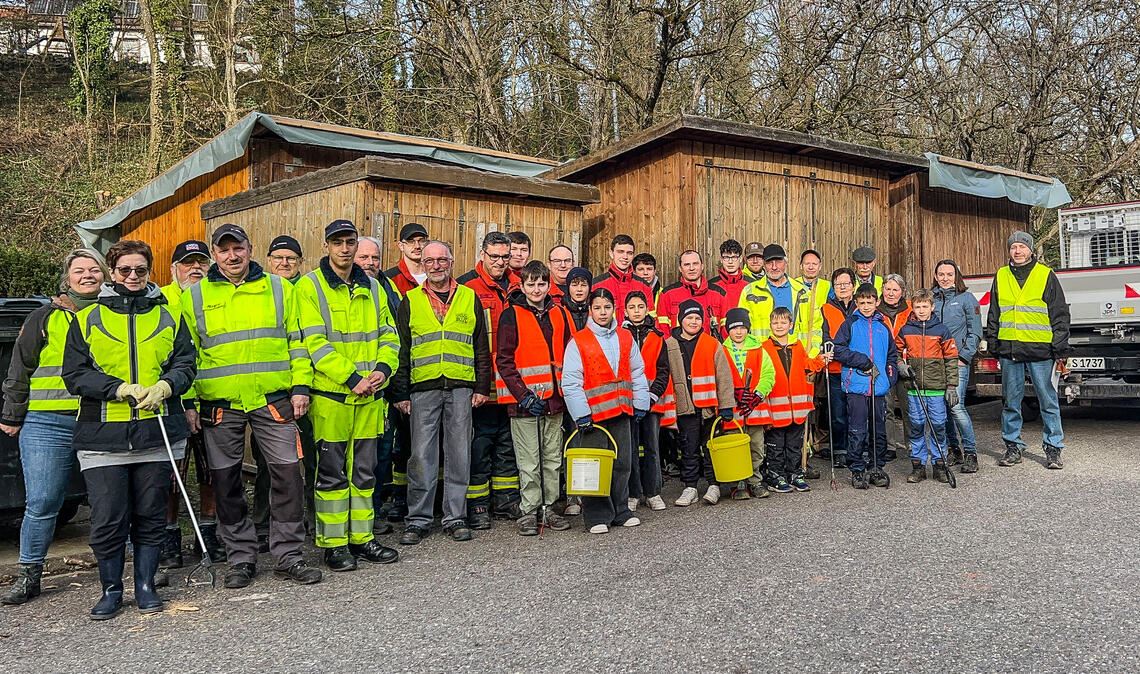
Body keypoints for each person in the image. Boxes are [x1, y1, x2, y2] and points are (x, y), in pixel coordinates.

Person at [61, 240, 197, 619]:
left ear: (149, 271)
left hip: (156, 434)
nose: (133, 277)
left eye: (140, 270)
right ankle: (110, 589)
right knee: (108, 517)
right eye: (125, 271)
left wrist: (167, 385)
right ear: (112, 272)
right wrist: (117, 388)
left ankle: (145, 585)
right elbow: (74, 375)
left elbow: (186, 363)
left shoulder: (169, 315)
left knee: (152, 514)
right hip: (102, 437)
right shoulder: (87, 318)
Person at [182, 224, 322, 589]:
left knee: (288, 477)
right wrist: (189, 402)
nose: (232, 256)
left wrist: (300, 386)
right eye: (224, 249)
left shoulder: (278, 289)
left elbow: (298, 342)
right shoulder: (193, 296)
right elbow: (186, 354)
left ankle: (288, 556)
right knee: (226, 482)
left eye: (238, 248)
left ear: (250, 249)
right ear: (215, 253)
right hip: (220, 405)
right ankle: (240, 558)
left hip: (274, 400)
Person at [1, 249, 107, 606]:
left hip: (99, 417)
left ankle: (134, 566)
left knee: (112, 498)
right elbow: (20, 368)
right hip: (47, 422)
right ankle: (29, 574)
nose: (88, 275)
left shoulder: (116, 314)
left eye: (95, 269)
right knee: (44, 500)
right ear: (67, 277)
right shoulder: (43, 317)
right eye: (80, 270)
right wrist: (12, 414)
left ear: (106, 276)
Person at [295, 220, 401, 570]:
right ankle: (334, 544)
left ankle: (362, 537)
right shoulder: (309, 286)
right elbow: (314, 342)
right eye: (338, 242)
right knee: (332, 474)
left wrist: (383, 371)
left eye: (350, 242)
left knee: (366, 473)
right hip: (332, 397)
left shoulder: (373, 286)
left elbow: (389, 334)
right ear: (326, 245)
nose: (344, 248)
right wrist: (351, 376)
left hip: (370, 397)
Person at [392, 241, 492, 545]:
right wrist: (400, 392)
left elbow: (480, 346)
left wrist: (482, 386)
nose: (436, 266)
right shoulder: (410, 300)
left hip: (461, 388)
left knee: (459, 454)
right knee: (421, 455)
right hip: (423, 389)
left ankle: (455, 517)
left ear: (451, 262)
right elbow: (401, 348)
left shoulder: (469, 297)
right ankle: (418, 519)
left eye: (442, 260)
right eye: (430, 261)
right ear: (423, 264)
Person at [158, 240, 225, 568]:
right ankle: (170, 535)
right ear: (174, 270)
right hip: (175, 399)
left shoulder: (218, 294)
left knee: (212, 471)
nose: (195, 268)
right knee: (173, 474)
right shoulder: (161, 301)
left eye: (201, 262)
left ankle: (208, 532)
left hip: (213, 395)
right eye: (188, 263)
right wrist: (183, 400)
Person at [561, 288, 649, 534]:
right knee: (594, 467)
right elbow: (571, 381)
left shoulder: (625, 337)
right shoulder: (579, 341)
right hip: (593, 417)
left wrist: (640, 403)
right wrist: (580, 414)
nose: (602, 312)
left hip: (621, 412)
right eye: (597, 308)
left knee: (622, 463)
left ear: (614, 309)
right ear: (590, 310)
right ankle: (596, 515)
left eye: (607, 307)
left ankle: (621, 510)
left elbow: (637, 372)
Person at [495, 261, 574, 536]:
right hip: (525, 403)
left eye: (541, 283)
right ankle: (530, 510)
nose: (537, 289)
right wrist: (524, 396)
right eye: (531, 284)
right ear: (523, 286)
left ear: (548, 285)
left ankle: (549, 507)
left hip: (555, 400)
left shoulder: (560, 313)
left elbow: (569, 353)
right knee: (529, 460)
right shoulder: (511, 315)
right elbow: (504, 361)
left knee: (552, 458)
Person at [985, 231, 1071, 469]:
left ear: (1031, 250)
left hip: (1040, 351)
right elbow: (994, 313)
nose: (1017, 251)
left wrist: (1060, 348)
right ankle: (1012, 446)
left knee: (1048, 401)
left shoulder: (1045, 275)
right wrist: (994, 344)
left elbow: (1059, 314)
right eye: (1013, 247)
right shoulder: (1001, 276)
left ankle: (1053, 448)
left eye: (1022, 247)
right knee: (1011, 402)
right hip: (1010, 350)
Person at [458, 231, 523, 526]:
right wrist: (476, 382)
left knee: (507, 443)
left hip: (511, 381)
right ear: (482, 254)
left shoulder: (518, 286)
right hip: (483, 382)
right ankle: (478, 504)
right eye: (494, 256)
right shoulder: (466, 287)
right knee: (480, 445)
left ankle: (506, 500)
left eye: (504, 257)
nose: (499, 262)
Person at [252, 236, 309, 550]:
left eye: (291, 258)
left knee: (311, 461)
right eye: (279, 257)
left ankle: (309, 520)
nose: (284, 263)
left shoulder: (308, 290)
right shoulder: (259, 291)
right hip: (270, 394)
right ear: (269, 259)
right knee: (267, 465)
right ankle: (263, 523)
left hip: (307, 388)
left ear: (300, 262)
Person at [666, 300, 737, 507]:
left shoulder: (712, 343)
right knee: (688, 448)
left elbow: (724, 376)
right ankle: (690, 486)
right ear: (680, 320)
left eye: (697, 318)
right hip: (684, 407)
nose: (693, 321)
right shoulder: (669, 344)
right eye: (689, 317)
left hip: (708, 408)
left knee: (710, 447)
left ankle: (714, 485)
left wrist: (726, 405)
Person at [354, 234, 403, 533]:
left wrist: (389, 378)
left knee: (380, 454)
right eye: (364, 257)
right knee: (347, 460)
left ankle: (371, 514)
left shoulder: (388, 288)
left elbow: (394, 336)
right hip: (345, 388)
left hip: (382, 387)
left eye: (374, 258)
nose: (370, 263)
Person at [833, 283, 898, 489]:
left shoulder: (883, 327)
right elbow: (838, 350)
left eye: (870, 302)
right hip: (857, 385)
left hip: (878, 386)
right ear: (856, 303)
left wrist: (890, 376)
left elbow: (892, 355)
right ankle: (857, 468)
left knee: (878, 429)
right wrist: (861, 360)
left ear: (877, 302)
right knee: (857, 428)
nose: (866, 306)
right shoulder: (850, 324)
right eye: (862, 303)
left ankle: (876, 467)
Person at [896, 289, 959, 484]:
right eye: (917, 307)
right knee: (916, 426)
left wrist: (951, 385)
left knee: (938, 425)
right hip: (914, 387)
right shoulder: (906, 330)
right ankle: (918, 466)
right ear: (912, 308)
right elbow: (895, 352)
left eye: (925, 306)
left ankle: (940, 464)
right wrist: (900, 365)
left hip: (936, 388)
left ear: (932, 307)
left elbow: (951, 358)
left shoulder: (941, 330)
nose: (921, 310)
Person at [763, 307, 827, 493]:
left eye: (783, 322)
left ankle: (794, 473)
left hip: (796, 409)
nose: (779, 326)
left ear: (790, 325)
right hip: (776, 408)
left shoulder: (797, 346)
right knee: (776, 445)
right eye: (775, 322)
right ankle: (775, 474)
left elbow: (807, 365)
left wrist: (821, 360)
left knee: (794, 444)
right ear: (770, 325)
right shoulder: (764, 348)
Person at [622, 291, 672, 512]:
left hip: (651, 402)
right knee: (630, 448)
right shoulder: (618, 335)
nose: (636, 311)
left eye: (640, 307)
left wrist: (651, 395)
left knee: (652, 447)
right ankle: (633, 493)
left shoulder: (657, 336)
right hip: (628, 401)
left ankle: (653, 492)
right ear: (625, 311)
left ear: (647, 309)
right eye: (632, 307)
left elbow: (663, 371)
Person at [932, 258, 982, 473]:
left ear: (956, 276)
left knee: (956, 406)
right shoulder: (930, 298)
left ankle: (971, 452)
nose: (945, 278)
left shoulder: (967, 299)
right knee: (943, 408)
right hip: (935, 363)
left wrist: (964, 357)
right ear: (935, 276)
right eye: (941, 274)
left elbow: (976, 331)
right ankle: (954, 450)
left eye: (949, 274)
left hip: (957, 361)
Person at [720, 307, 775, 500]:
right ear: (728, 330)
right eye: (734, 328)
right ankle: (738, 483)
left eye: (742, 327)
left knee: (756, 446)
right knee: (736, 447)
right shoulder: (722, 350)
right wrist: (733, 392)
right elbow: (720, 376)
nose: (738, 331)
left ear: (748, 329)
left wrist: (758, 394)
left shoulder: (759, 349)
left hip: (755, 409)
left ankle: (755, 481)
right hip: (733, 410)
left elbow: (769, 374)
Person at [738, 244, 812, 342]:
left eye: (778, 262)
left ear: (786, 263)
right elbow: (742, 326)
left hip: (798, 353)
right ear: (764, 265)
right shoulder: (749, 291)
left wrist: (811, 354)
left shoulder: (803, 291)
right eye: (769, 262)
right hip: (763, 353)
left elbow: (815, 326)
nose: (774, 267)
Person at [879, 274, 912, 462]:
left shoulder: (910, 310)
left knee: (909, 407)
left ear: (902, 292)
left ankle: (912, 444)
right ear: (882, 289)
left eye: (895, 290)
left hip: (906, 364)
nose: (891, 293)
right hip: (884, 365)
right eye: (888, 289)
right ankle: (890, 445)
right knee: (887, 407)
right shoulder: (875, 311)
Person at [658, 250, 725, 335]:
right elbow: (662, 329)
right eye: (687, 264)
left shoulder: (719, 294)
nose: (691, 268)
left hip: (711, 347)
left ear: (702, 266)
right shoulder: (667, 294)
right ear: (680, 269)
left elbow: (726, 329)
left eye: (695, 264)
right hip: (678, 347)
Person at [592, 234, 655, 323]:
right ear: (611, 253)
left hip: (636, 336)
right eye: (620, 252)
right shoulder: (596, 285)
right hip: (608, 336)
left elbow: (652, 320)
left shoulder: (644, 286)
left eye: (629, 253)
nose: (625, 257)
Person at [795, 249, 830, 353]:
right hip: (796, 345)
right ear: (801, 266)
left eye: (814, 264)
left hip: (820, 344)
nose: (811, 267)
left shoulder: (828, 287)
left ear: (820, 267)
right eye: (807, 264)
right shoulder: (792, 286)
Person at [385, 223, 429, 294]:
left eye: (421, 241)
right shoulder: (390, 279)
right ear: (401, 246)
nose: (417, 246)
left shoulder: (436, 275)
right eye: (411, 241)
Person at [710, 239, 749, 308]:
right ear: (721, 260)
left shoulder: (751, 284)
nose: (730, 262)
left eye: (734, 257)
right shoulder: (711, 285)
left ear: (740, 259)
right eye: (726, 257)